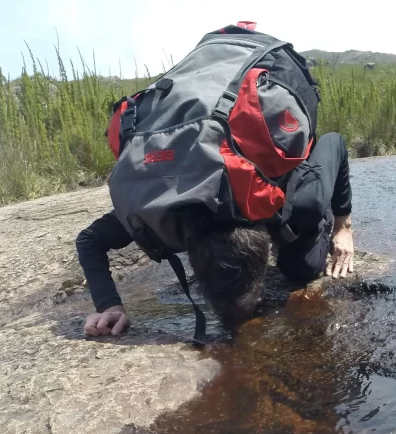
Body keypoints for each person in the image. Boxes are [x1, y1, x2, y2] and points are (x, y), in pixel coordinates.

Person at [76, 132, 355, 338]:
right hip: (198, 167)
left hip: (267, 171)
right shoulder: (159, 214)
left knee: (301, 268)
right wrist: (109, 305)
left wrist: (343, 227)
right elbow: (90, 239)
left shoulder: (304, 200)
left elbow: (335, 142)